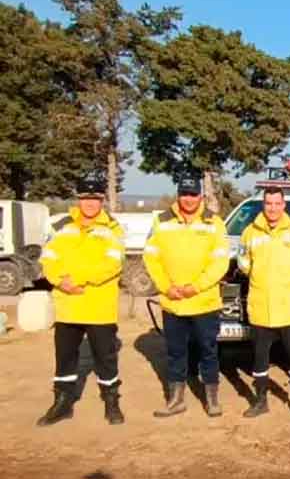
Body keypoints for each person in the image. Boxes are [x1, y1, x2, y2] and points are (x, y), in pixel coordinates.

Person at [37, 179, 126, 426]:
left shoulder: (113, 228)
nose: (89, 203)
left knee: (105, 358)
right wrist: (59, 280)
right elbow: (49, 258)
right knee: (64, 357)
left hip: (99, 307)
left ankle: (111, 402)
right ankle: (63, 403)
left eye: (95, 199)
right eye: (85, 198)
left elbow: (112, 263)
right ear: (78, 199)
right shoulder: (61, 225)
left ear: (102, 201)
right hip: (67, 306)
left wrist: (78, 279)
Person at [143, 175, 230, 418]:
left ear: (200, 196)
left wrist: (197, 286)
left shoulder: (214, 223)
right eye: (184, 194)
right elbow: (151, 256)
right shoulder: (161, 221)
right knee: (175, 352)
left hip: (203, 301)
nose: (188, 199)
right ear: (178, 195)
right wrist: (165, 286)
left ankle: (212, 399)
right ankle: (176, 399)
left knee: (208, 351)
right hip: (173, 302)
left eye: (193, 194)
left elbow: (220, 261)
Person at [237, 186, 290, 418]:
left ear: (284, 205)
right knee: (260, 358)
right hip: (261, 306)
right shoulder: (250, 233)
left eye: (276, 203)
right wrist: (257, 274)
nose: (272, 208)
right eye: (268, 203)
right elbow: (243, 261)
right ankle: (260, 401)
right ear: (264, 205)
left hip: (288, 307)